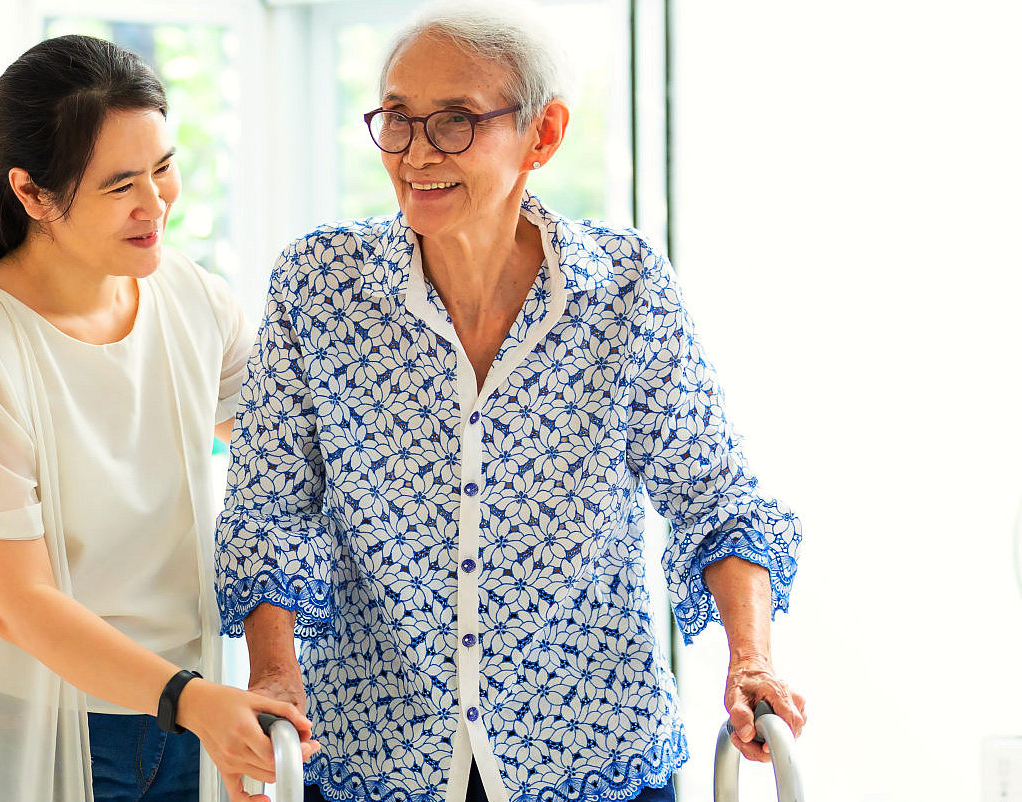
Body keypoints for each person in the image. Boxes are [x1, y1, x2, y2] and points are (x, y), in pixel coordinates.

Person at [215, 2, 807, 800]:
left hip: (595, 754)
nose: (416, 152)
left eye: (455, 120)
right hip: (375, 752)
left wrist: (752, 660)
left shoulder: (624, 290)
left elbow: (717, 502)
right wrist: (275, 674)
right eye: (397, 117)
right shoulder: (319, 287)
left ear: (544, 134)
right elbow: (269, 512)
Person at [0, 34, 316, 802]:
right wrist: (190, 700)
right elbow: (13, 601)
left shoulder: (193, 297)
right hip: (29, 721)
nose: (155, 203)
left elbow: (289, 461)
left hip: (181, 709)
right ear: (32, 194)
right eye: (120, 184)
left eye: (162, 167)